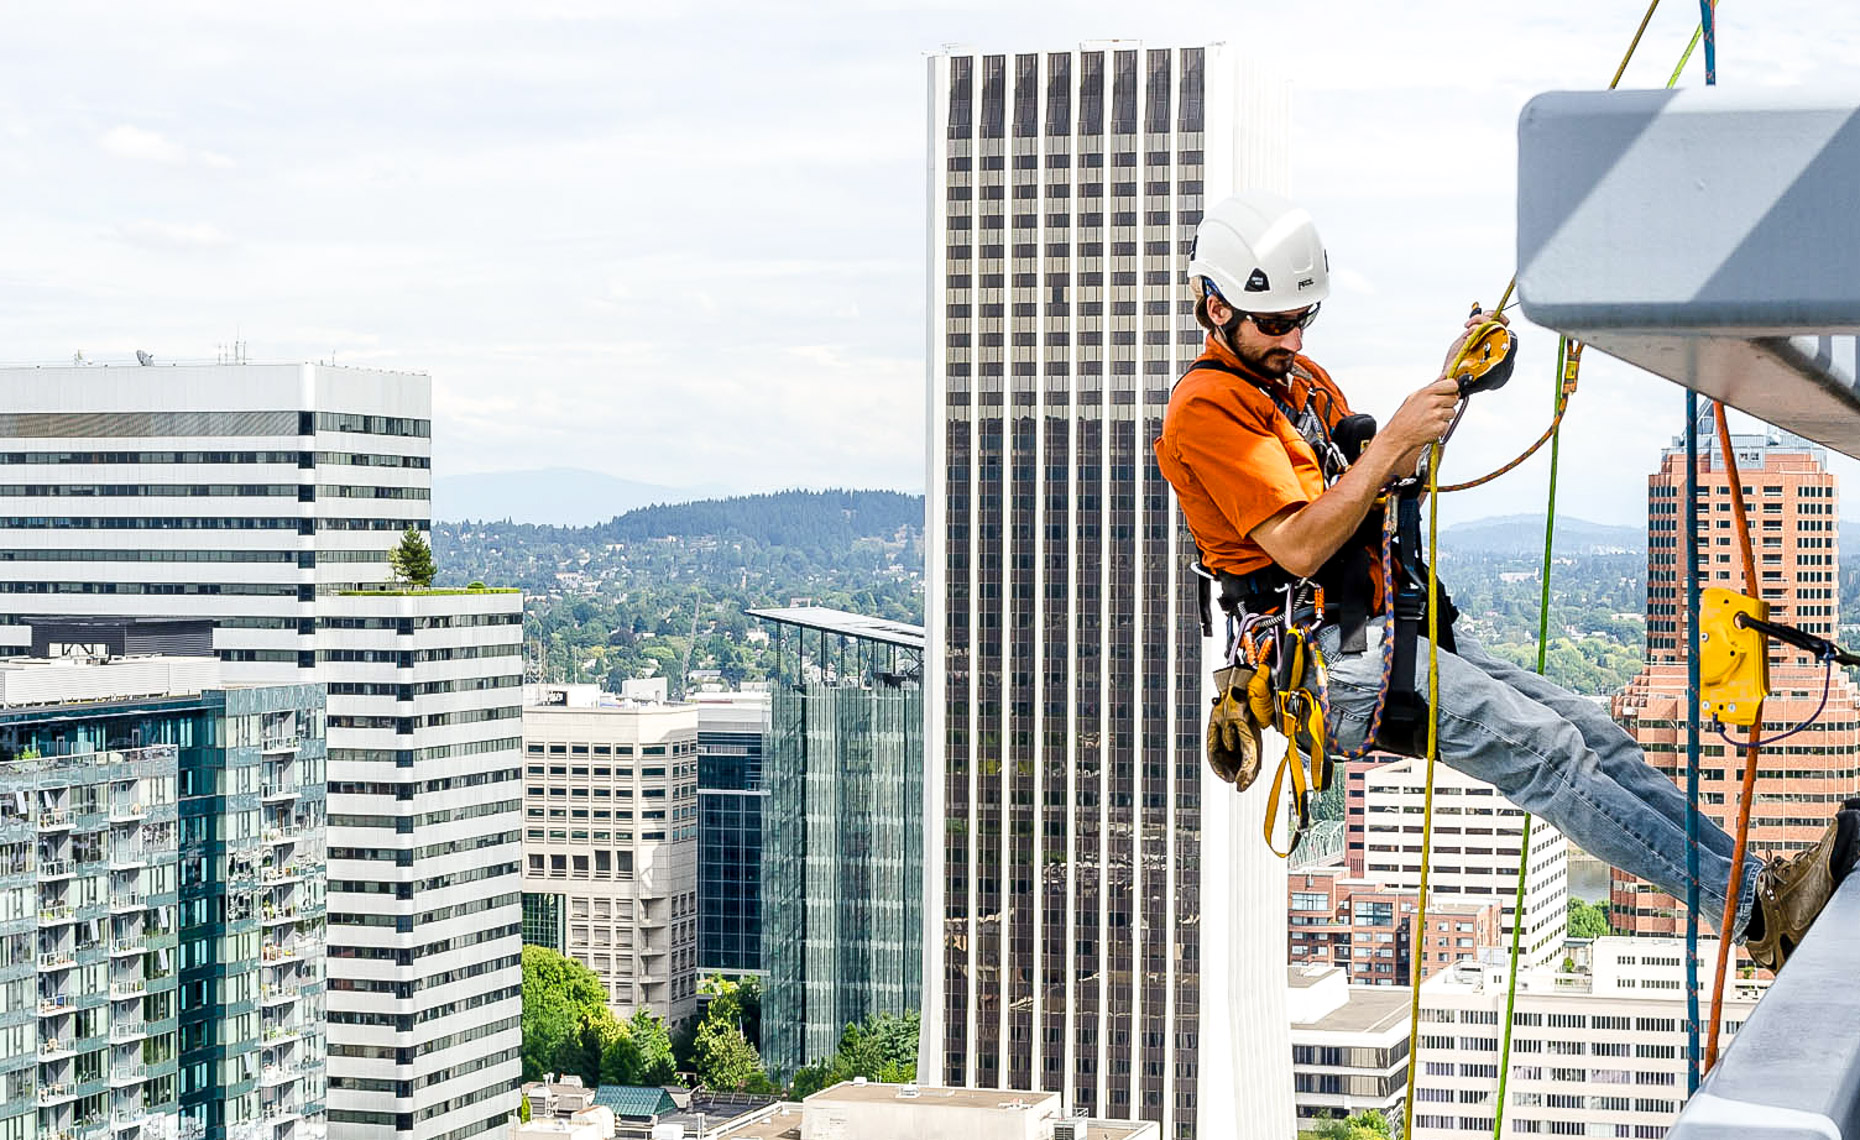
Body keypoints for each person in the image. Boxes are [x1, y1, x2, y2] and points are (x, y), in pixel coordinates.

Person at [1153, 189, 1857, 972]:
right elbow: (1300, 545)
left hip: (1387, 627)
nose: (1292, 336)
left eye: (1302, 318)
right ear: (1215, 310)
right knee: (1552, 756)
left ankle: (1760, 884)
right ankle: (1759, 913)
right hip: (1335, 658)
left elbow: (1372, 482)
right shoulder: (1206, 410)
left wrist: (1453, 384)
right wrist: (1393, 442)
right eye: (1274, 323)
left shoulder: (1300, 384)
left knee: (1600, 738)